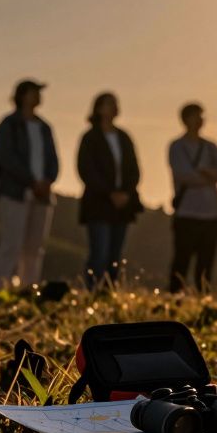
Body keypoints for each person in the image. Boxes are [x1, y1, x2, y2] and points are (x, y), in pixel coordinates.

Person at [0, 80, 58, 291]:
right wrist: (30, 181)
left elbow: (53, 159)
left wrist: (48, 180)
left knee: (35, 246)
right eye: (33, 92)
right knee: (12, 243)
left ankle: (29, 289)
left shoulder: (44, 127)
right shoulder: (9, 124)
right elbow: (6, 157)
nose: (38, 96)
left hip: (42, 194)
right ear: (22, 96)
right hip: (14, 192)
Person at [77, 92, 144, 289]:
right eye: (110, 104)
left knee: (115, 254)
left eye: (116, 103)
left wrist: (126, 192)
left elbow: (134, 169)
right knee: (100, 253)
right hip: (99, 204)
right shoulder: (90, 138)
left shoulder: (123, 137)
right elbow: (86, 169)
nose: (115, 107)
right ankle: (93, 291)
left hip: (122, 205)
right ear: (99, 108)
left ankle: (110, 292)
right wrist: (109, 193)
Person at [166, 102, 217, 293]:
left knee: (206, 261)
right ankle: (175, 295)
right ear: (186, 119)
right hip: (186, 213)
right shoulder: (177, 147)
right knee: (182, 259)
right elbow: (183, 175)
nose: (200, 120)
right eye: (196, 116)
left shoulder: (210, 146)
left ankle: (203, 295)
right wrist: (210, 176)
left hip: (211, 214)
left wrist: (205, 173)